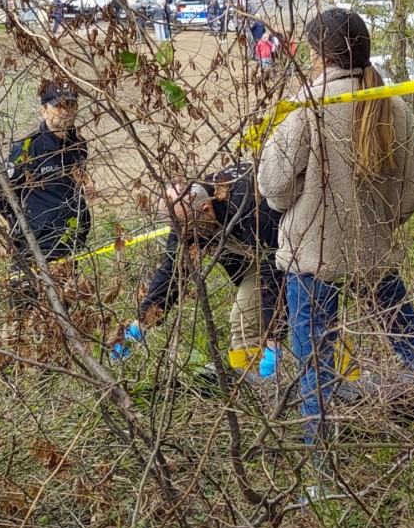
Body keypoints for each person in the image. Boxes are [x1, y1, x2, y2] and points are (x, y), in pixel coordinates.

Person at [258, 8, 414, 464]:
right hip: (374, 252)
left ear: (318, 54)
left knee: (315, 361)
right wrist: (382, 221)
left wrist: (297, 207)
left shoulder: (307, 109)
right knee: (412, 340)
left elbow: (274, 185)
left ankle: (319, 467)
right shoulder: (394, 103)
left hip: (312, 256)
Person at [112, 163, 285, 384]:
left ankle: (294, 379)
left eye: (187, 227)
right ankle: (254, 383)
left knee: (305, 313)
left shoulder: (250, 207)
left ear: (206, 210)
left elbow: (276, 273)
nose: (184, 235)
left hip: (292, 247)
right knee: (243, 316)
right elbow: (172, 272)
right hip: (257, 253)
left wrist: (274, 338)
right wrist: (141, 323)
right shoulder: (186, 215)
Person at [0, 80, 92, 271]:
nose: (65, 111)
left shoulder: (79, 144)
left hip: (69, 242)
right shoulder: (26, 148)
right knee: (30, 299)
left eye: (70, 104)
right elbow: (0, 197)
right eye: (58, 106)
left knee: (65, 301)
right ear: (44, 111)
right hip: (35, 248)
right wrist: (27, 227)